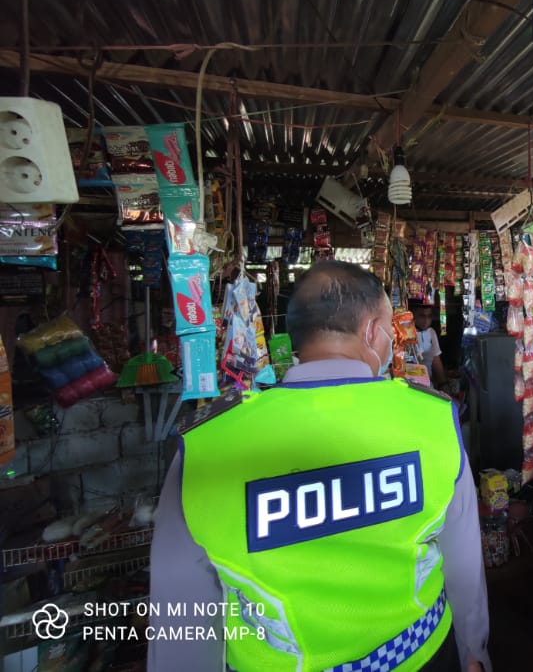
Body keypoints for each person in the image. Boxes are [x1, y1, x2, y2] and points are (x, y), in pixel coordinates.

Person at [148, 261, 491, 672]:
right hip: (422, 656)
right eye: (389, 330)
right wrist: (475, 649)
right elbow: (464, 560)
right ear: (371, 331)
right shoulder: (432, 419)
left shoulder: (207, 445)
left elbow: (181, 613)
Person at [411, 301, 448, 389]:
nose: (426, 320)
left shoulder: (431, 332)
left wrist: (444, 384)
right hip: (410, 385)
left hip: (428, 385)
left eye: (429, 316)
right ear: (414, 316)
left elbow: (436, 360)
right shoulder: (405, 333)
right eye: (422, 316)